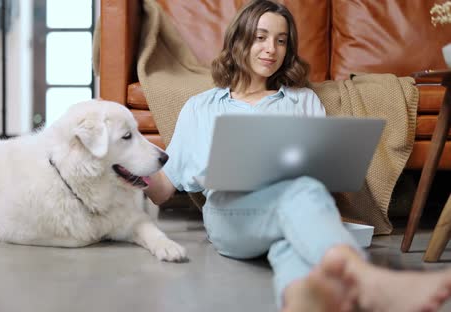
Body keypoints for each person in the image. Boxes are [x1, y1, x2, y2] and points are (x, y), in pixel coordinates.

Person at [143, 0, 451, 311]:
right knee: (302, 196)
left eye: (281, 40)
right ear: (239, 39)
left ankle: (299, 298)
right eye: (260, 37)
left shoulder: (302, 101)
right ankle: (364, 277)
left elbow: (320, 172)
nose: (271, 50)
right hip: (230, 213)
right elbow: (162, 187)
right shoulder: (201, 106)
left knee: (290, 240)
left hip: (294, 204)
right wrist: (121, 168)